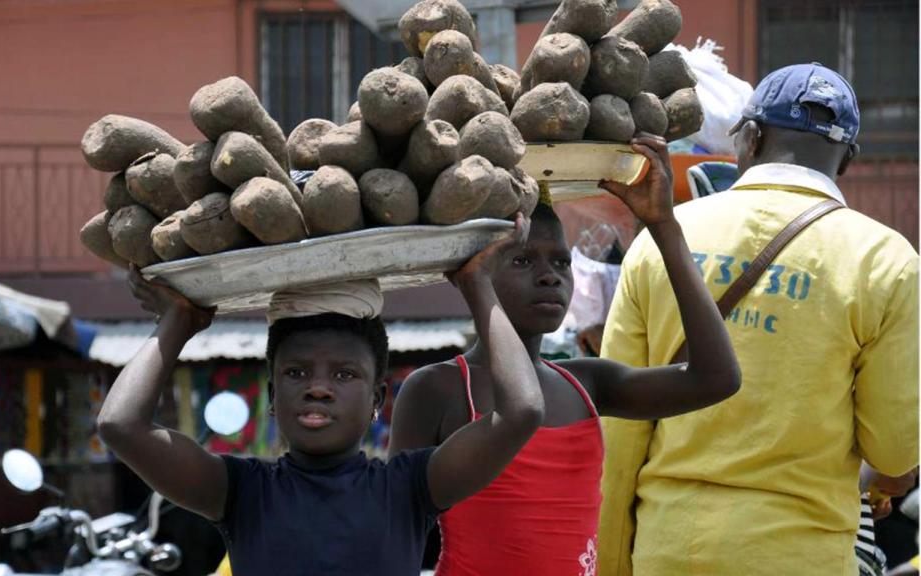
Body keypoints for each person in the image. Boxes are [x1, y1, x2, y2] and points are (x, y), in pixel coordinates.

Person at [597, 63, 919, 575]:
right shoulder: (886, 260)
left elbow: (616, 436)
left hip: (670, 548)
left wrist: (613, 564)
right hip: (799, 556)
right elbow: (895, 446)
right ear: (847, 161)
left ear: (749, 138)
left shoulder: (661, 242)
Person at [96, 214, 548, 576]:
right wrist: (179, 319)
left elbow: (521, 411)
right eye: (296, 372)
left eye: (344, 375)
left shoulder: (409, 488)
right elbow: (121, 425)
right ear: (273, 396)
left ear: (377, 399)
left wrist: (476, 282)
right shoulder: (239, 492)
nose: (317, 387)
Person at [389, 134, 742, 575]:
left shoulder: (587, 384)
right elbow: (395, 532)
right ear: (474, 269)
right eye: (522, 261)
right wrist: (475, 286)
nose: (549, 277)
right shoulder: (437, 388)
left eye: (561, 262)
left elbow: (716, 379)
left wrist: (663, 226)